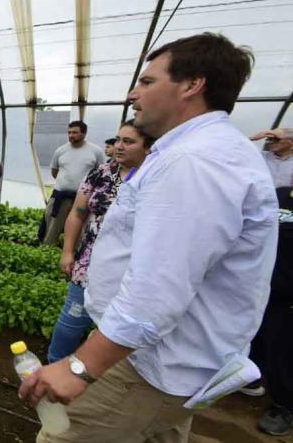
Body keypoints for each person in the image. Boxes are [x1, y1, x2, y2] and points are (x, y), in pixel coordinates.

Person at [19, 33, 278, 443]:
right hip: (162, 357)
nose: (133, 93)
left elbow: (158, 287)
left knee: (61, 438)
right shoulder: (200, 152)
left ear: (192, 85)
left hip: (150, 364)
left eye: (148, 81)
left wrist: (80, 367)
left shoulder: (193, 162)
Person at [46, 120, 155, 364]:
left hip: (133, 267)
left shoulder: (156, 178)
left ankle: (98, 376)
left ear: (148, 147)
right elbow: (77, 213)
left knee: (118, 327)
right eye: (118, 140)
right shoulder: (102, 173)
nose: (119, 146)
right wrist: (67, 251)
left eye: (128, 142)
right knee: (72, 318)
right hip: (90, 261)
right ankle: (54, 365)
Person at [245, 127, 293, 435]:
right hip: (264, 285)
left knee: (285, 348)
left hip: (288, 294)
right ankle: (251, 378)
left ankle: (285, 405)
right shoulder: (278, 196)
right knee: (257, 336)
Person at [42, 121, 105, 246]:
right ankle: (48, 249)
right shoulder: (61, 150)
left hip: (82, 197)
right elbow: (54, 171)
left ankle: (74, 252)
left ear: (84, 133)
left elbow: (100, 172)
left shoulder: (95, 151)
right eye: (69, 132)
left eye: (75, 132)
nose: (71, 135)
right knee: (52, 224)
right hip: (61, 195)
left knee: (79, 228)